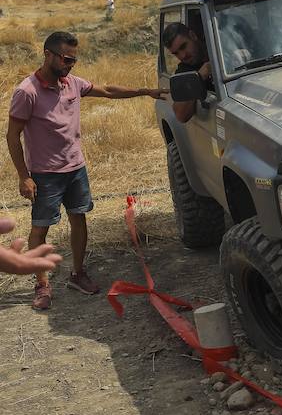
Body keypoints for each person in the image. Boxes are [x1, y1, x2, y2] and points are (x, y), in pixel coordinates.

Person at [6, 31, 166, 310]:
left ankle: (77, 274)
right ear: (48, 55)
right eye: (66, 59)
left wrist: (145, 92)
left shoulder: (72, 84)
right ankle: (42, 285)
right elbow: (12, 136)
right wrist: (24, 176)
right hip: (45, 175)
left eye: (74, 60)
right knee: (39, 230)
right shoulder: (26, 92)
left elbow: (107, 90)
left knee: (79, 219)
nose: (70, 65)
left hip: (76, 169)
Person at [161, 22, 211, 123]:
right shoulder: (184, 71)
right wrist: (198, 78)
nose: (183, 56)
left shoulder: (217, 47)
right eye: (176, 53)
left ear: (193, 36)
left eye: (183, 46)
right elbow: (180, 115)